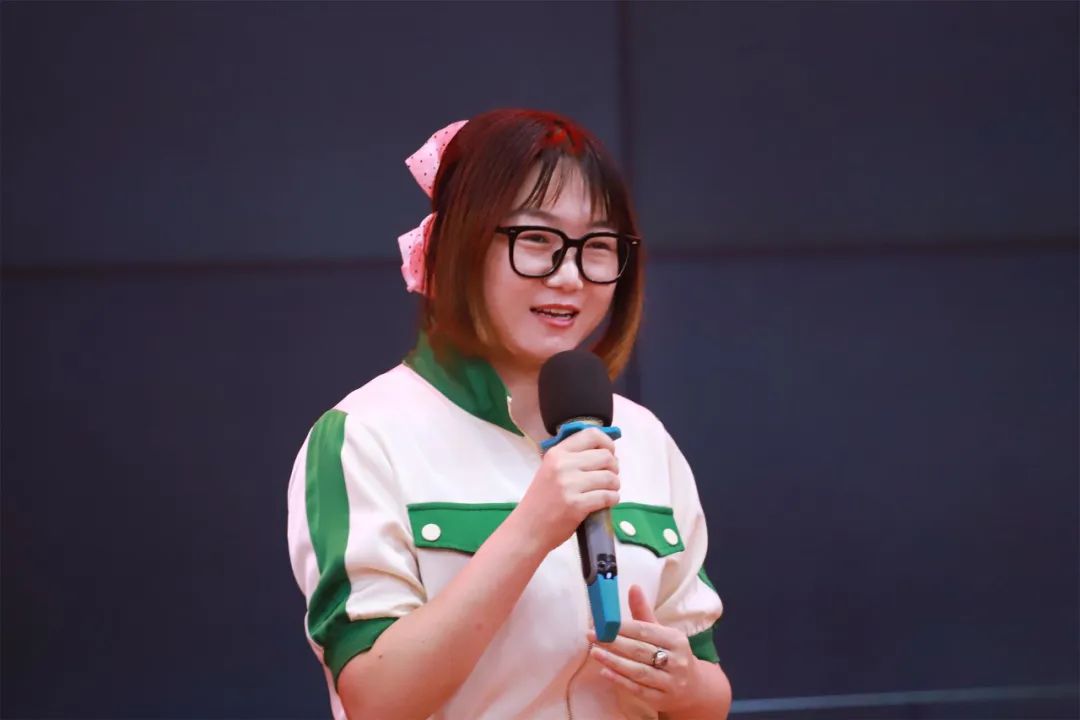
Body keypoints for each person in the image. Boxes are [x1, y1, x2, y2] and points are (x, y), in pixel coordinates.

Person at [287, 108, 732, 720]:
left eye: (599, 247)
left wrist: (680, 683)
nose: (570, 276)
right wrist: (532, 527)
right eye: (537, 241)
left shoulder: (644, 437)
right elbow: (376, 698)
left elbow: (708, 689)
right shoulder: (365, 435)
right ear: (458, 245)